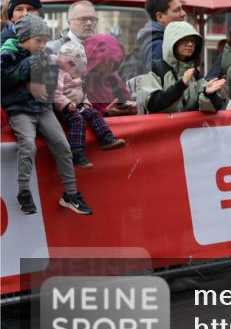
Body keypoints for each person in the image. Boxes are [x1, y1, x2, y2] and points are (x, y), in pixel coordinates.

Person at [1, 15, 92, 215]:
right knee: (28, 145)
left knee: (63, 146)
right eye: (38, 41)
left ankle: (71, 194)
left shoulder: (46, 55)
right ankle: (24, 192)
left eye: (45, 41)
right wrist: (28, 75)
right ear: (24, 38)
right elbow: (3, 81)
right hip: (19, 109)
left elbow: (54, 83)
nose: (43, 45)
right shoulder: (7, 54)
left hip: (43, 108)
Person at [53, 42, 127, 168]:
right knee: (78, 120)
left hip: (77, 105)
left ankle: (106, 138)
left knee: (93, 113)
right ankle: (77, 152)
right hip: (64, 109)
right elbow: (55, 94)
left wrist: (86, 104)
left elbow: (83, 94)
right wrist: (66, 104)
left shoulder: (79, 76)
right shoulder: (59, 74)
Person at [137, 21, 227, 114]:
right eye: (185, 39)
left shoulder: (194, 72)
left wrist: (209, 94)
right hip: (161, 124)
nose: (190, 44)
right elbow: (151, 103)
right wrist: (181, 85)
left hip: (188, 124)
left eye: (193, 40)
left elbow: (215, 107)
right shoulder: (155, 68)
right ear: (172, 41)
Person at [83, 34, 138, 118]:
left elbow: (125, 100)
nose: (109, 65)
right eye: (105, 61)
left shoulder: (114, 78)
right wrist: (105, 113)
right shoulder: (81, 83)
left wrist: (130, 108)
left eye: (113, 60)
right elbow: (78, 113)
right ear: (92, 59)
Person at [136, 0, 186, 74]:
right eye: (177, 10)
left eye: (182, 8)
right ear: (160, 16)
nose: (183, 13)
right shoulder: (159, 46)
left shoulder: (154, 39)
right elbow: (160, 80)